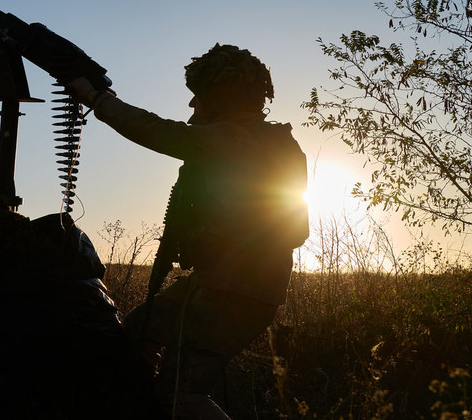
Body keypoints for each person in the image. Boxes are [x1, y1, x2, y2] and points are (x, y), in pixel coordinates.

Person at [68, 44, 309, 420]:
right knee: (136, 334)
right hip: (221, 283)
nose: (193, 105)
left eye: (201, 96)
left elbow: (158, 132)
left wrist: (96, 99)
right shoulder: (263, 140)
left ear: (222, 97)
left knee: (182, 394)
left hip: (236, 291)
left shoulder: (236, 139)